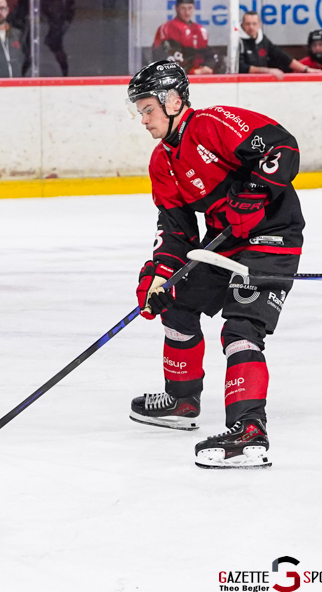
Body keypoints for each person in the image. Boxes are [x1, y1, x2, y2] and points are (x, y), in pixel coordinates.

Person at [126, 61, 305, 469]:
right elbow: (176, 233)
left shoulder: (211, 124)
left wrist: (256, 192)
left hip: (272, 235)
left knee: (241, 326)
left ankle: (249, 431)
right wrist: (159, 274)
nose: (143, 119)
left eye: (148, 109)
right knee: (176, 301)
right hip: (224, 242)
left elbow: (282, 146)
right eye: (139, 111)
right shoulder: (162, 162)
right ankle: (182, 399)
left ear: (173, 102)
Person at [238, 11, 321, 78]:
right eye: (248, 24)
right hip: (243, 83)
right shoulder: (238, 41)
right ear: (242, 25)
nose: (251, 27)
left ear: (259, 24)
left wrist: (306, 69)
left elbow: (281, 55)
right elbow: (241, 67)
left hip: (261, 82)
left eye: (254, 24)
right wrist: (267, 71)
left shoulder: (262, 39)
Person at [151, 0, 216, 75]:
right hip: (176, 78)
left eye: (190, 8)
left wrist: (208, 66)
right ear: (176, 8)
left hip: (198, 75)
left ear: (194, 8)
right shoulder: (167, 28)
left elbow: (207, 55)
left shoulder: (200, 30)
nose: (187, 12)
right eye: (183, 8)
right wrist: (191, 71)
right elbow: (162, 57)